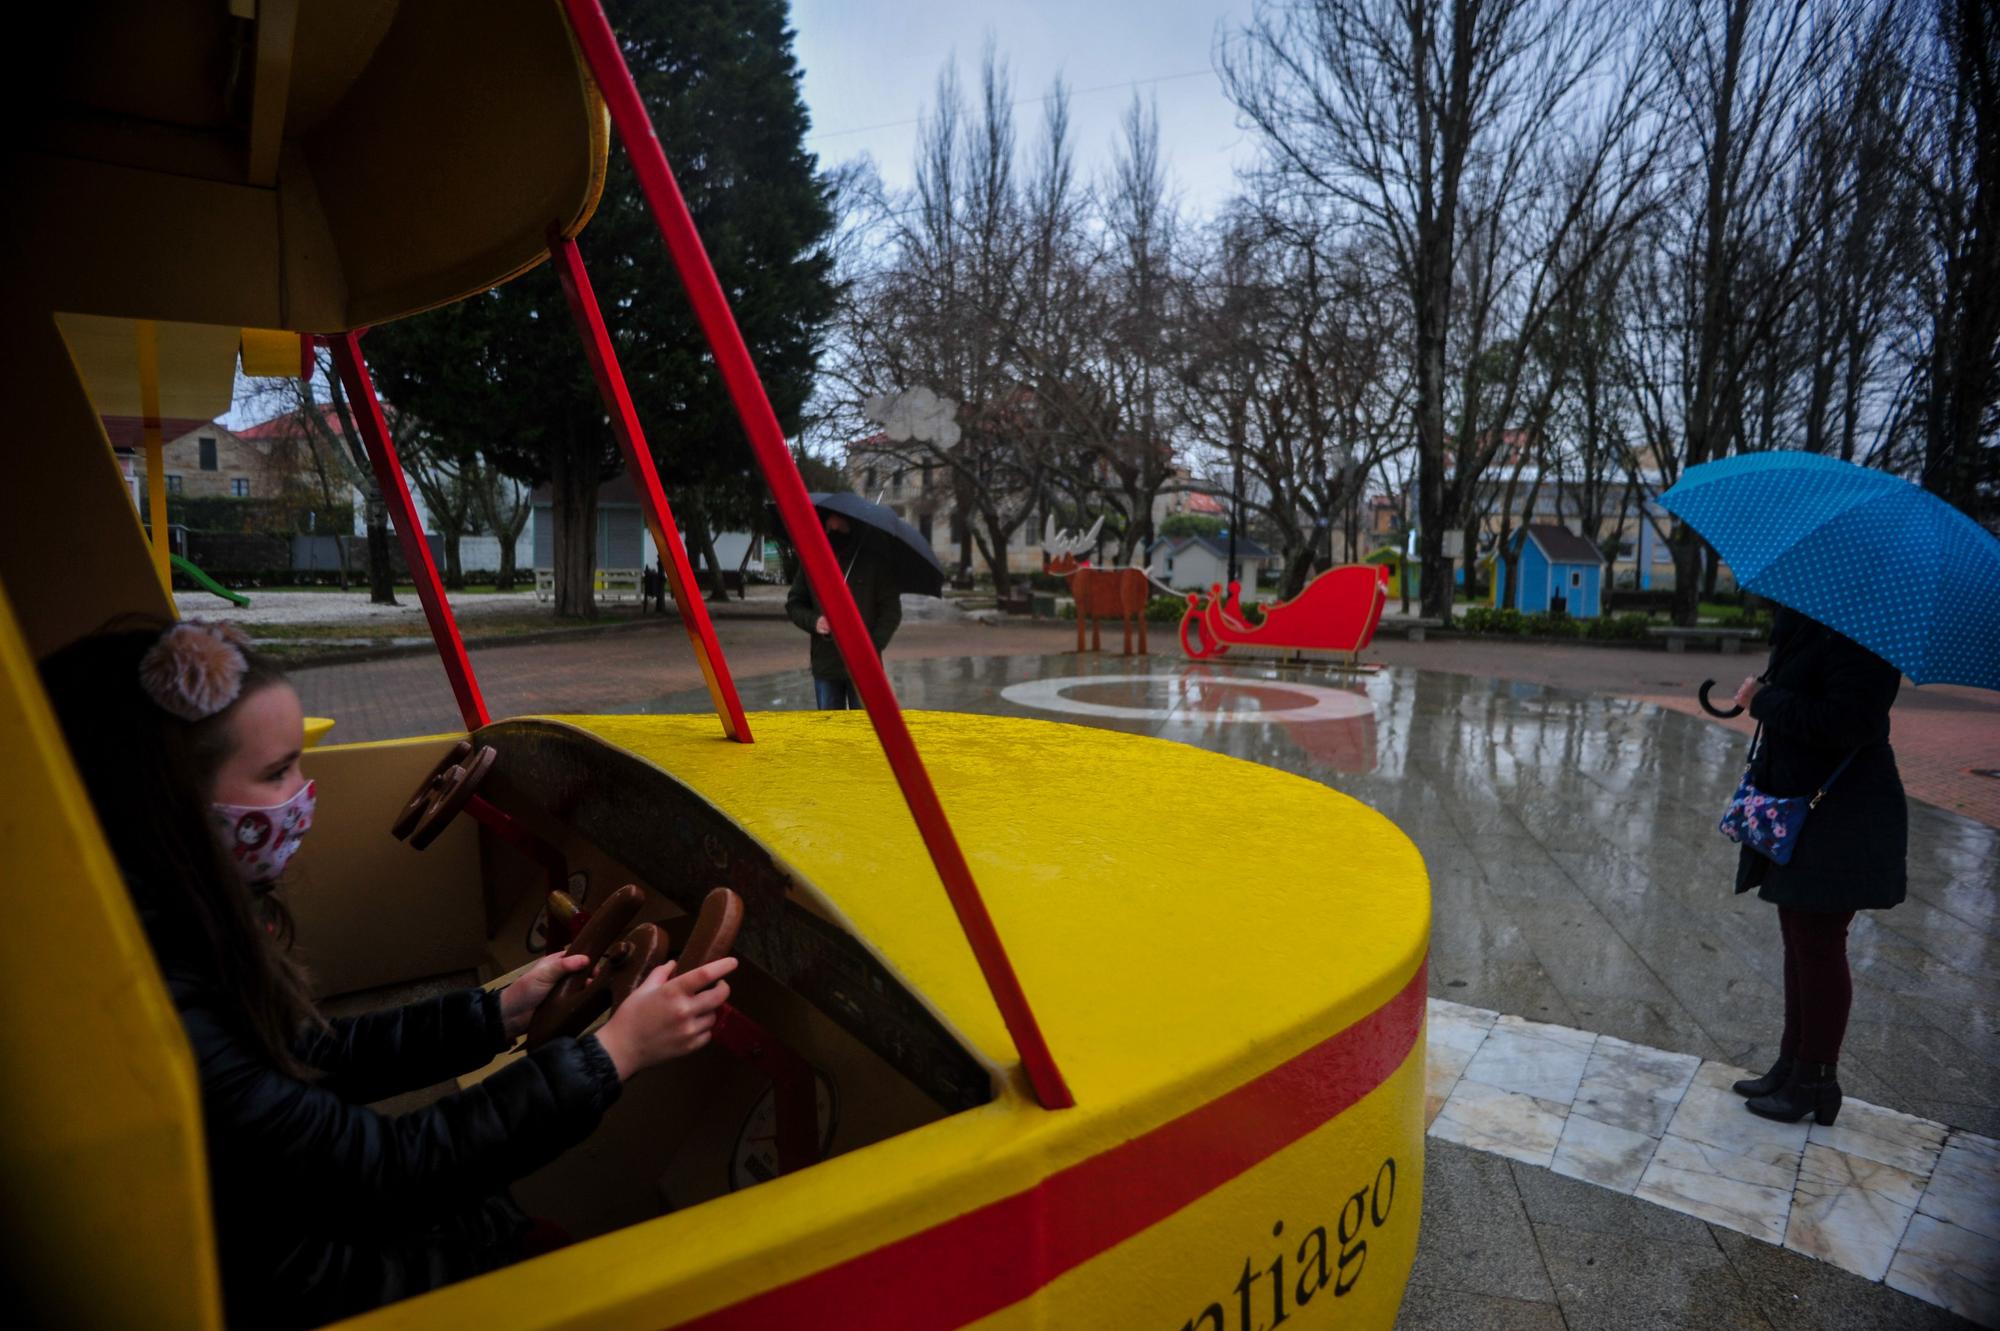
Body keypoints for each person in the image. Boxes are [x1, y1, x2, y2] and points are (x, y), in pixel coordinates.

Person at [37, 619, 738, 1330]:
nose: (305, 793)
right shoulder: (157, 996)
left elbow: (312, 1053)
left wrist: (493, 1014)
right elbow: (388, 1173)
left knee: (487, 1208)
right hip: (295, 1286)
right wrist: (615, 1052)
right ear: (166, 802)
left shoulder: (162, 932)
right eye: (279, 772)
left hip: (275, 1247)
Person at [1726, 605, 1905, 1127]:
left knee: (1820, 943)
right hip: (1802, 805)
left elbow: (1849, 721)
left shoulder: (1862, 632)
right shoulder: (1814, 623)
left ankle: (1817, 1079)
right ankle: (1792, 1063)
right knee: (1799, 936)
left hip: (1844, 812)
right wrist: (1769, 688)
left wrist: (1765, 699)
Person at [785, 511, 902, 710]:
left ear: (852, 528)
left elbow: (891, 611)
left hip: (865, 667)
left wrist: (872, 647)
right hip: (826, 665)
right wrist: (815, 621)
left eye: (840, 529)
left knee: (864, 731)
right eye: (830, 529)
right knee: (830, 729)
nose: (834, 534)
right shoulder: (812, 562)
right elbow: (794, 604)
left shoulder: (874, 563)